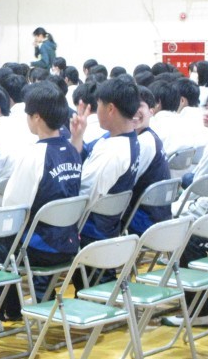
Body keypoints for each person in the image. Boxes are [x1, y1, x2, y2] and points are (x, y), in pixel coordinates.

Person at [0, 82, 82, 336]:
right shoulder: (72, 150)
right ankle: (6, 310)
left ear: (37, 117)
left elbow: (12, 207)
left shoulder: (34, 155)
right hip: (67, 243)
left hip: (37, 249)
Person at [70, 75, 140, 288]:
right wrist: (77, 137)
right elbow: (86, 155)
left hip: (91, 234)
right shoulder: (123, 139)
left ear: (110, 109)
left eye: (98, 105)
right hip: (107, 230)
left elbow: (83, 197)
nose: (95, 111)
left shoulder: (114, 152)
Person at [125, 86, 171, 235]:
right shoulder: (150, 136)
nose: (134, 110)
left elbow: (126, 183)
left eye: (140, 106)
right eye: (130, 105)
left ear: (152, 111)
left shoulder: (144, 142)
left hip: (145, 220)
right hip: (157, 215)